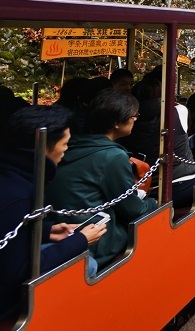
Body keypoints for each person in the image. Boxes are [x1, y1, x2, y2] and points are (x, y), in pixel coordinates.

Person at [1, 106, 106, 325]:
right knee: (90, 264)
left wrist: (46, 232)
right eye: (64, 144)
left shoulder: (12, 174)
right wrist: (81, 240)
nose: (66, 150)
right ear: (44, 147)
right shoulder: (19, 193)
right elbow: (18, 272)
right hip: (6, 301)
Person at [45, 90, 157, 271]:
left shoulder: (72, 144)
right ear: (116, 123)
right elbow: (133, 210)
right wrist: (154, 203)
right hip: (97, 239)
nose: (135, 119)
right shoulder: (112, 156)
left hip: (61, 229)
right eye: (133, 115)